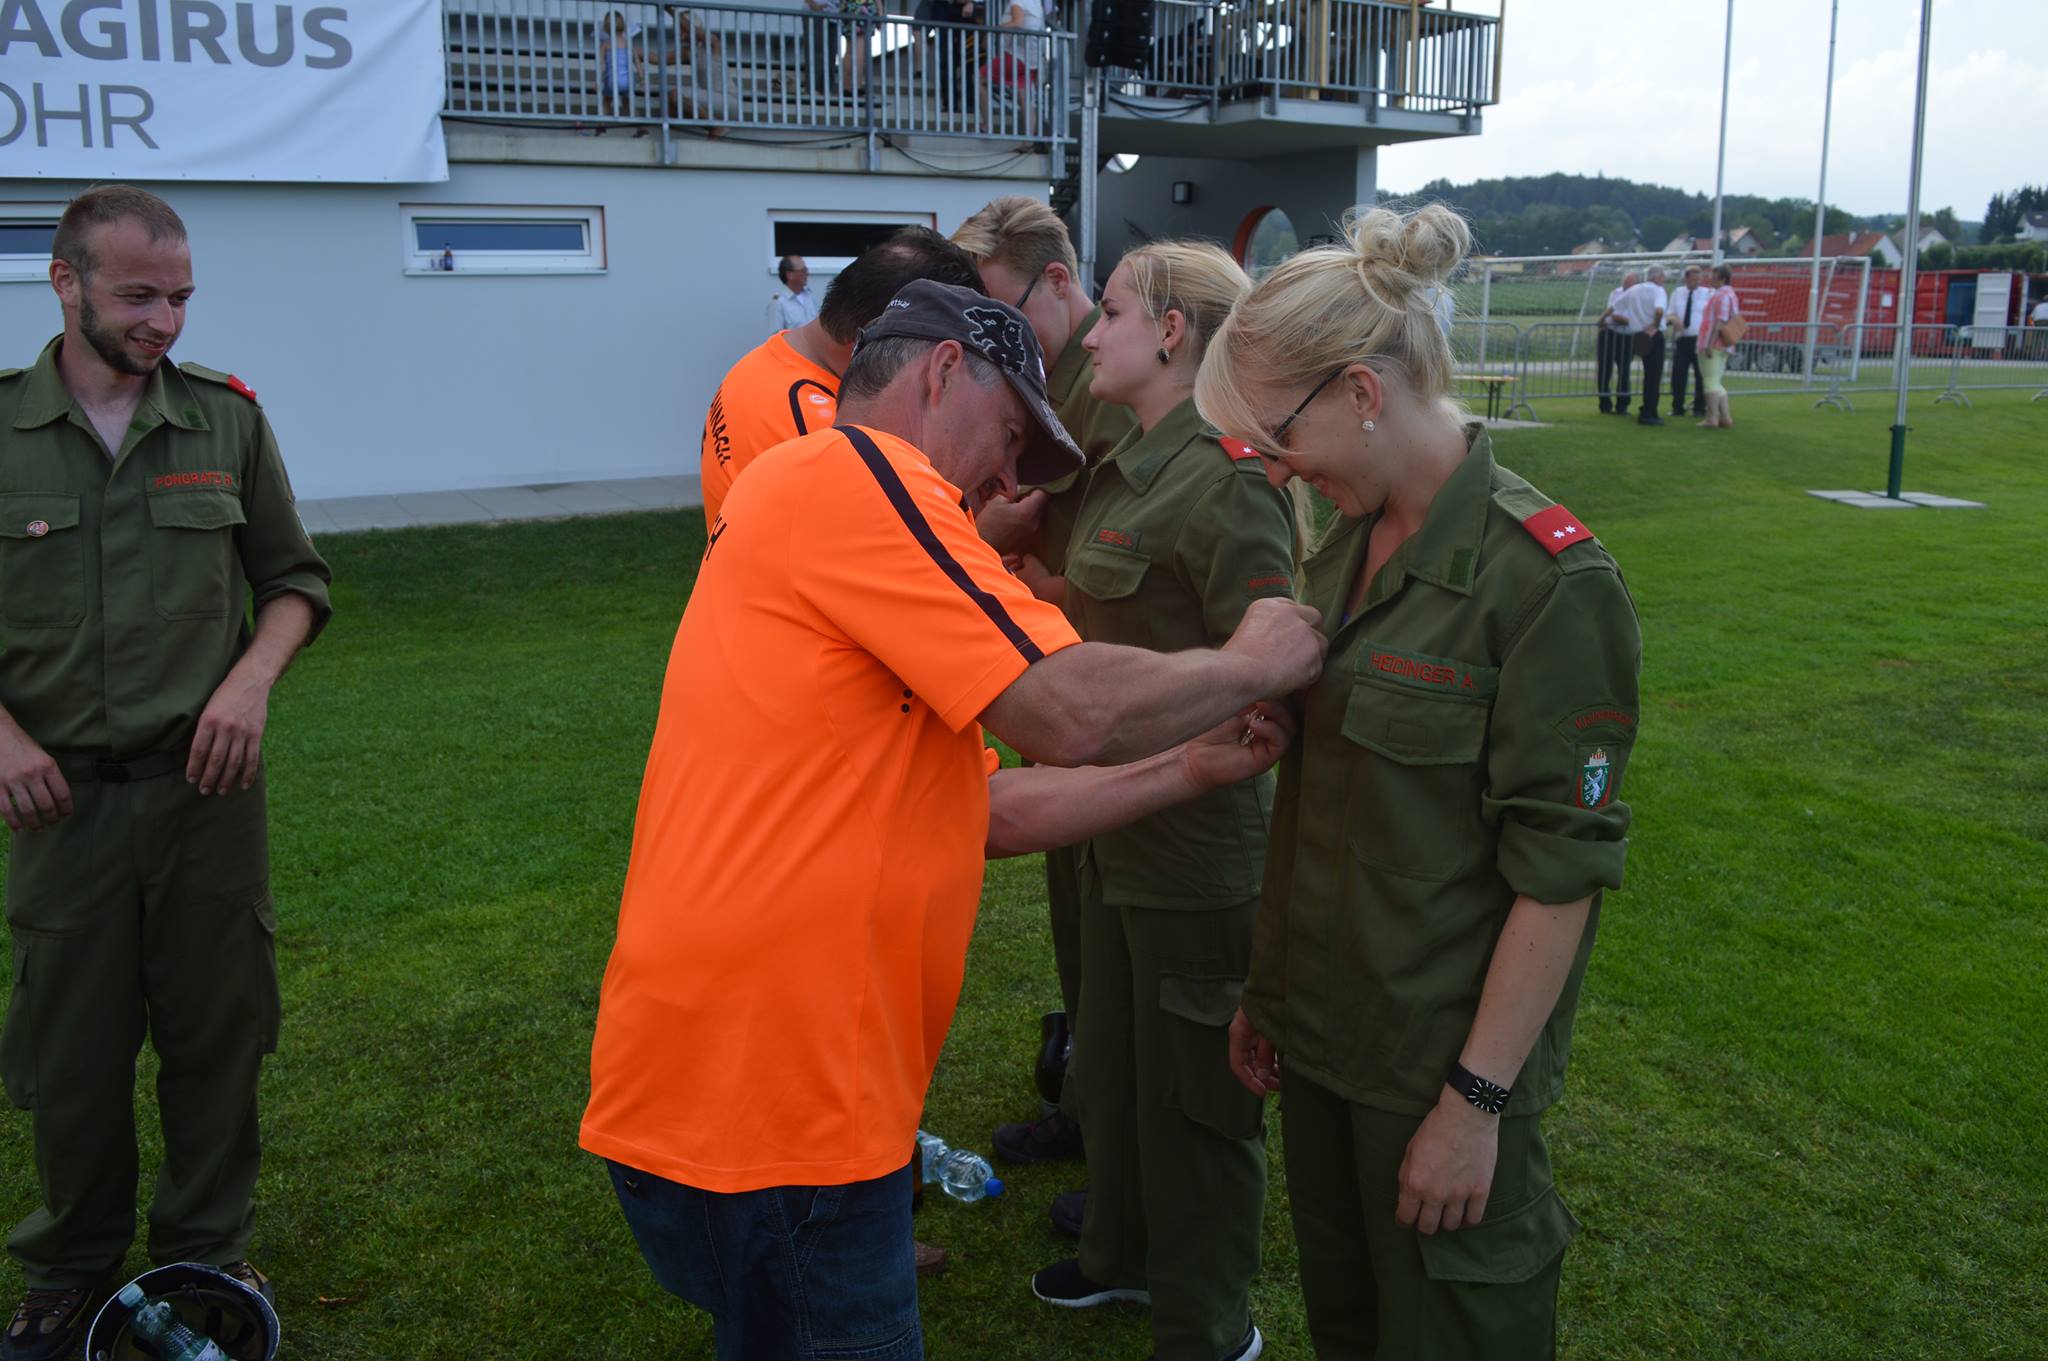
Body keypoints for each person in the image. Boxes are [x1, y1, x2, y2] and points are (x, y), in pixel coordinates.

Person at [579, 279, 1329, 1361]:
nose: (1009, 481)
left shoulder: (808, 493)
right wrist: (1253, 662)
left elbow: (986, 807)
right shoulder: (860, 476)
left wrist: (1187, 766)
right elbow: (1067, 709)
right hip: (783, 1104)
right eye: (1012, 435)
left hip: (734, 1087)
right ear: (941, 374)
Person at [1195, 202, 1642, 1361]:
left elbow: (1557, 876)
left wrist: (1474, 1103)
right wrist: (1271, 995)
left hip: (1435, 1070)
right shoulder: (1346, 540)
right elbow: (1333, 809)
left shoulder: (1544, 581)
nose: (1270, 466)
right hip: (1326, 1046)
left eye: (1275, 434)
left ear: (1359, 390)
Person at [0, 186, 332, 1361]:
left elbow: (294, 581)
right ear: (66, 281)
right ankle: (69, 1266)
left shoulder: (224, 418)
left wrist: (250, 681)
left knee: (218, 1034)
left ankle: (205, 1247)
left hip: (207, 798)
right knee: (72, 1053)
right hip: (62, 804)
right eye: (139, 294)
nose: (165, 320)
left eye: (181, 296)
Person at [1022, 243, 1290, 1361]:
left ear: (1173, 330)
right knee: (1115, 1073)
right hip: (1111, 826)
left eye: (1114, 312)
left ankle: (1206, 1324)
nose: (1092, 334)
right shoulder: (1131, 463)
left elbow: (1270, 669)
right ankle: (1120, 1255)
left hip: (1192, 844)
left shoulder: (1227, 479)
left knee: (1194, 1104)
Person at [951, 196, 1137, 1182]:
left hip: (1101, 689)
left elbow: (1131, 564)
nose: (990, 334)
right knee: (1077, 920)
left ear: (1056, 282)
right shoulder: (1039, 385)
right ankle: (1085, 1100)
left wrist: (1034, 582)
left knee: (1116, 932)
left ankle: (1114, 1137)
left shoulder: (1111, 395)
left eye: (1001, 309)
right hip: (1051, 689)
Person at [698, 225, 984, 530]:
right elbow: (893, 544)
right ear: (880, 336)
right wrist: (990, 529)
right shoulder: (826, 433)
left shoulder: (765, 362)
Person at [1614, 265, 1669, 426]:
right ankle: (1649, 412)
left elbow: (1615, 307)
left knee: (1647, 373)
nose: (1664, 280)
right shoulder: (1658, 291)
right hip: (1653, 335)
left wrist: (1603, 320)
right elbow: (1659, 311)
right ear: (1657, 277)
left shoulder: (1634, 290)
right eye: (1663, 277)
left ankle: (1646, 409)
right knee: (1654, 376)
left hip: (1637, 334)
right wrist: (1655, 325)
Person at [1697, 262, 1740, 429]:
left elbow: (1720, 321)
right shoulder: (1731, 294)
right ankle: (1725, 417)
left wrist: (1709, 344)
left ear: (1722, 279)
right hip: (1725, 344)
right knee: (1716, 381)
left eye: (1714, 277)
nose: (1710, 280)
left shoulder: (1721, 296)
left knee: (1710, 382)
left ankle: (1712, 417)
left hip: (1714, 344)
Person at [1665, 264, 1708, 419]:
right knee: (1679, 374)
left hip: (1699, 339)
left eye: (1698, 279)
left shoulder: (1707, 293)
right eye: (1694, 279)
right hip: (1682, 339)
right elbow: (1669, 313)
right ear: (1687, 279)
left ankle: (1699, 408)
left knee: (1700, 375)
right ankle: (1677, 407)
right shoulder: (1677, 293)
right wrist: (1674, 319)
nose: (1697, 282)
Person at [1595, 270, 1637, 415]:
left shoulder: (1637, 296)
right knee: (1604, 370)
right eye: (1625, 281)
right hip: (1609, 333)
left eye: (1629, 282)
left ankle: (1622, 405)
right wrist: (1615, 318)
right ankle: (1604, 404)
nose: (1626, 284)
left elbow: (1629, 318)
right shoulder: (1615, 293)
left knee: (1624, 371)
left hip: (1627, 336)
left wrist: (1619, 318)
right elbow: (1612, 313)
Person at [765, 255, 819, 333]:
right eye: (803, 271)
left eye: (806, 270)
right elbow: (776, 336)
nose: (807, 273)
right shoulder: (777, 303)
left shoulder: (809, 295)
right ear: (790, 275)